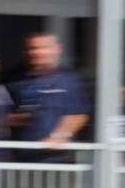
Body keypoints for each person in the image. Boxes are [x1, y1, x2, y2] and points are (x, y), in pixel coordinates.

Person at [7, 32, 89, 162]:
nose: (35, 52)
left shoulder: (68, 78)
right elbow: (4, 114)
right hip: (22, 158)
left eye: (43, 48)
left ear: (57, 49)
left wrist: (59, 136)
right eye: (31, 48)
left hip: (58, 160)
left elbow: (78, 114)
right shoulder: (15, 78)